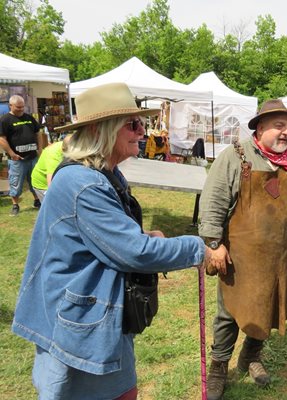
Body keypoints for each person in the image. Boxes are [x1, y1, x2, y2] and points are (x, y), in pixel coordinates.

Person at [12, 82, 211, 400]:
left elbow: (108, 238)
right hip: (74, 323)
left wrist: (141, 234)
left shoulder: (103, 174)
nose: (141, 131)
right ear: (99, 130)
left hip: (95, 314)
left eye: (141, 122)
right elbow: (135, 253)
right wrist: (199, 248)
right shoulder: (85, 183)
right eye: (132, 124)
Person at [199, 99, 287, 400]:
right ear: (260, 128)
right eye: (279, 126)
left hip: (278, 253)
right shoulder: (236, 155)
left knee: (268, 307)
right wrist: (213, 245)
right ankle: (219, 366)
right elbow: (213, 201)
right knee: (230, 313)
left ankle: (250, 357)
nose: (286, 133)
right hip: (239, 254)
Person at [0, 95, 43, 216]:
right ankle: (15, 205)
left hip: (32, 157)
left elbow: (38, 133)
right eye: (18, 107)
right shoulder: (5, 120)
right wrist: (12, 154)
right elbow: (1, 139)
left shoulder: (29, 118)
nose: (21, 109)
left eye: (22, 107)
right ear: (10, 106)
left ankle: (37, 201)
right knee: (16, 182)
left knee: (34, 180)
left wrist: (40, 148)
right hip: (17, 159)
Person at [31, 135, 71, 201]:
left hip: (57, 179)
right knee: (53, 206)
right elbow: (51, 183)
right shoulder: (54, 156)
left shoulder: (66, 143)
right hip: (42, 184)